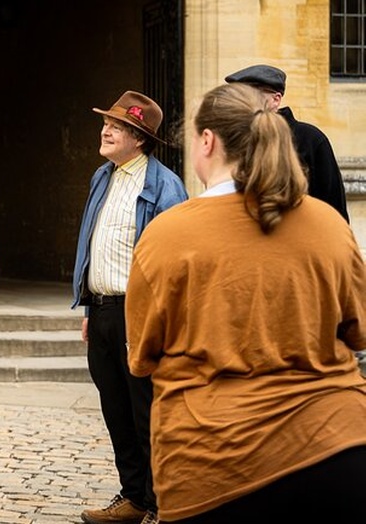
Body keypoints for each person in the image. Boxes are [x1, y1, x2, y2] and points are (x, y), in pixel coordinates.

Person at [125, 83, 366, 522]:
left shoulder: (167, 234)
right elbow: (358, 328)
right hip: (336, 447)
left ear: (207, 141)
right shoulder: (328, 223)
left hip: (214, 459)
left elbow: (141, 355)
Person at [72, 91, 188, 524]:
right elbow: (95, 244)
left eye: (117, 127)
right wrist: (89, 310)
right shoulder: (102, 176)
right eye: (106, 123)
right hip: (102, 312)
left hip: (139, 314)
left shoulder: (164, 186)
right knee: (116, 411)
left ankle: (162, 504)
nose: (106, 130)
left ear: (139, 138)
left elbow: (177, 261)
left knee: (147, 414)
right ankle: (134, 498)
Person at [225, 64, 350, 222]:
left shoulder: (310, 140)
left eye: (249, 96)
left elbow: (334, 209)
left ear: (276, 99)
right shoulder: (236, 139)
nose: (242, 104)